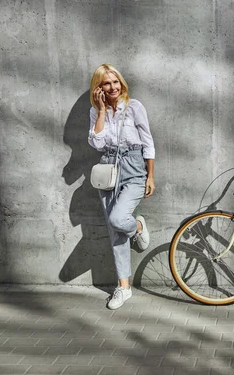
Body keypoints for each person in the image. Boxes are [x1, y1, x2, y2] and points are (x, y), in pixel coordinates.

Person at [87, 63, 155, 309]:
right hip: (108, 169)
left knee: (118, 219)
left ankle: (137, 226)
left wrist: (150, 176)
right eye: (107, 83)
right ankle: (123, 288)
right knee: (114, 231)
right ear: (99, 87)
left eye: (116, 82)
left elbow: (148, 142)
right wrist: (103, 111)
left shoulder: (134, 107)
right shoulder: (96, 112)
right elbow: (96, 143)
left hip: (135, 168)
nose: (113, 87)